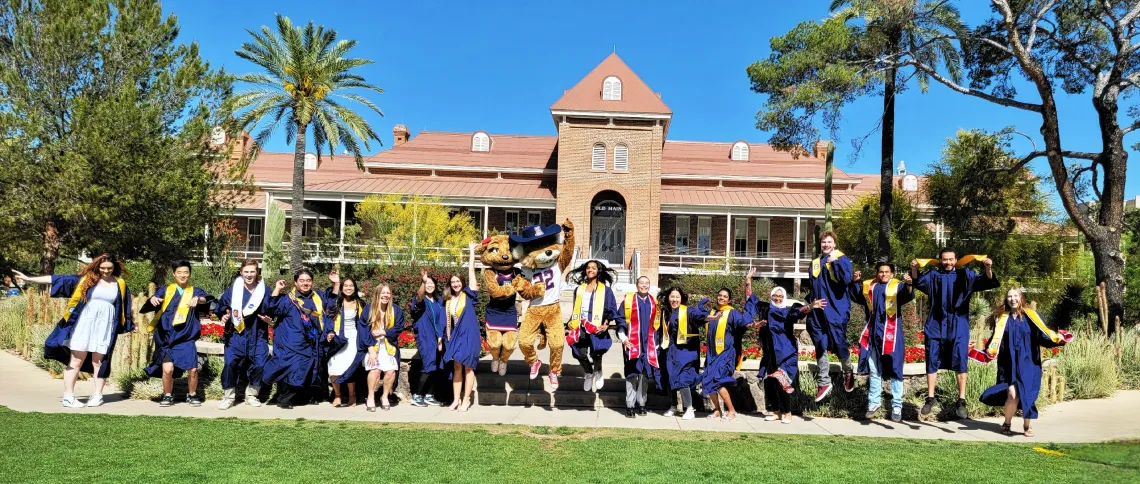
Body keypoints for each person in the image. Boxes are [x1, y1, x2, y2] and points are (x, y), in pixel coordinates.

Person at [15, 253, 133, 408]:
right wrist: (29, 278)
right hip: (84, 324)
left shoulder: (120, 284)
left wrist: (131, 323)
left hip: (105, 327)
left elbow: (125, 306)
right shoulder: (86, 280)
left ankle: (97, 395)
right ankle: (68, 396)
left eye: (109, 268)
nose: (106, 271)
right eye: (103, 268)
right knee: (76, 360)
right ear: (97, 266)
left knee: (99, 361)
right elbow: (58, 279)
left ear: (114, 267)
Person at [911, 249, 998, 419]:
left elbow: (984, 281)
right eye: (945, 260)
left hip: (958, 325)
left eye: (951, 259)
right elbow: (917, 282)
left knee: (960, 360)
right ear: (940, 260)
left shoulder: (965, 274)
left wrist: (988, 268)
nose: (948, 263)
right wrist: (914, 268)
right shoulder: (933, 276)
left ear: (956, 260)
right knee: (932, 359)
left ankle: (961, 400)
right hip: (936, 325)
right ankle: (930, 398)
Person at [979, 288, 1072, 437]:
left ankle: (1026, 426)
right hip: (1008, 363)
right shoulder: (1002, 318)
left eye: (1015, 296)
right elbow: (995, 340)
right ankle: (1007, 423)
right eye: (1009, 296)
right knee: (1012, 393)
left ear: (1021, 298)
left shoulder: (1031, 316)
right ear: (1006, 299)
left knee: (1027, 394)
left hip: (1029, 362)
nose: (1012, 299)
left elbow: (1043, 335)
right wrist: (985, 352)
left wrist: (1058, 340)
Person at [140, 261, 214, 407]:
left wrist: (198, 299)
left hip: (186, 337)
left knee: (192, 369)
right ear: (174, 274)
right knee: (167, 370)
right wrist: (153, 299)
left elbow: (208, 299)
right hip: (167, 337)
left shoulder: (195, 291)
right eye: (179, 272)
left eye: (186, 272)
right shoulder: (166, 290)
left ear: (189, 274)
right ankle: (167, 395)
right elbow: (152, 301)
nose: (183, 275)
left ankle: (192, 394)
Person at [260, 269, 335, 409]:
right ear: (295, 282)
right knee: (291, 368)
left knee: (308, 369)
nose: (305, 283)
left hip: (311, 341)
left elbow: (330, 308)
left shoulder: (317, 297)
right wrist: (277, 288)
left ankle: (303, 398)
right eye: (302, 280)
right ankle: (284, 399)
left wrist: (335, 283)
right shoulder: (288, 298)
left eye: (308, 280)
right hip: (290, 340)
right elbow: (270, 308)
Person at [850, 263, 915, 422]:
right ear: (877, 273)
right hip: (873, 333)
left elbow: (907, 295)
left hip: (892, 334)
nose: (883, 274)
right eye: (881, 272)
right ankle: (873, 403)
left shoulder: (897, 286)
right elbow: (858, 297)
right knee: (874, 369)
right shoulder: (870, 286)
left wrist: (909, 284)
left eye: (887, 272)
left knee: (895, 369)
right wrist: (854, 282)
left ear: (892, 274)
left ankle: (897, 407)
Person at [214, 259, 274, 409]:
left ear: (257, 272)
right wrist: (223, 314)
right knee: (229, 364)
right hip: (236, 334)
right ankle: (228, 397)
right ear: (241, 272)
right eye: (246, 271)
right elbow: (221, 305)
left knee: (259, 364)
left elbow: (272, 308)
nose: (249, 275)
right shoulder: (234, 289)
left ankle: (252, 395)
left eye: (252, 271)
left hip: (257, 333)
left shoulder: (264, 289)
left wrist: (270, 318)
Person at [700, 269, 759, 422]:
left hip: (726, 354)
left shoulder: (732, 313)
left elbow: (744, 322)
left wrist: (748, 283)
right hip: (712, 354)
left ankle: (731, 411)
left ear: (729, 299)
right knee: (707, 380)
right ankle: (717, 410)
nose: (721, 298)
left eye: (725, 296)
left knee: (717, 381)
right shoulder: (712, 312)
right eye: (720, 295)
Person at [752, 286, 816, 424]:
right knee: (769, 383)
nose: (778, 298)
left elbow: (799, 312)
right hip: (770, 355)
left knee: (782, 382)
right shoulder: (765, 309)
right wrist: (748, 282)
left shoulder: (787, 311)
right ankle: (776, 412)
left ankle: (788, 413)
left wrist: (810, 306)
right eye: (775, 295)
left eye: (781, 296)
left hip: (786, 353)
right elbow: (752, 300)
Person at [805, 230, 855, 402]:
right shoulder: (816, 263)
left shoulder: (842, 259)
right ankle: (823, 382)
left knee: (839, 342)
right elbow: (813, 286)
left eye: (829, 242)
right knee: (820, 344)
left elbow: (846, 280)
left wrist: (835, 264)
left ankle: (848, 371)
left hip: (836, 311)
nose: (826, 245)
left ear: (834, 244)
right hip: (817, 311)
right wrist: (811, 305)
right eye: (823, 242)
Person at [566, 260, 623, 394]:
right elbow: (576, 308)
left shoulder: (605, 290)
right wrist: (570, 323)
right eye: (588, 268)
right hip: (580, 325)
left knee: (597, 352)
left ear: (598, 271)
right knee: (579, 353)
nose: (590, 270)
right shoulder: (579, 289)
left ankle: (598, 370)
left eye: (593, 268)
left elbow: (611, 308)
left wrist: (606, 324)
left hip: (596, 326)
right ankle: (588, 372)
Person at [658, 287, 709, 420]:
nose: (674, 299)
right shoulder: (665, 312)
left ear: (682, 299)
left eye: (677, 297)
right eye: (672, 296)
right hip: (670, 350)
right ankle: (673, 406)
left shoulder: (687, 310)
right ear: (668, 297)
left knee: (683, 379)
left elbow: (699, 316)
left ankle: (689, 408)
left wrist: (711, 317)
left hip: (685, 351)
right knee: (671, 378)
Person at [442, 242, 480, 412]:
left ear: (462, 283)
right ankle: (456, 399)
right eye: (453, 282)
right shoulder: (449, 300)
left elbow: (472, 272)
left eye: (458, 281)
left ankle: (466, 399)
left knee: (468, 367)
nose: (456, 284)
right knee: (457, 367)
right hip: (455, 336)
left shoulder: (469, 295)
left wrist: (471, 253)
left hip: (469, 335)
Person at [617, 276, 660, 418]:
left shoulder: (654, 303)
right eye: (641, 283)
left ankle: (642, 404)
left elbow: (658, 325)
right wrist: (623, 338)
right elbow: (620, 320)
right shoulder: (628, 301)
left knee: (644, 374)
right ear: (636, 285)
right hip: (632, 343)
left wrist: (657, 342)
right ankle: (630, 405)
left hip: (648, 345)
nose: (644, 285)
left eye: (647, 283)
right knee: (631, 374)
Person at [324, 277, 369, 408]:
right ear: (342, 288)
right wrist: (329, 332)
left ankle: (351, 395)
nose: (348, 288)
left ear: (355, 288)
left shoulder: (360, 303)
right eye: (345, 286)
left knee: (350, 368)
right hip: (337, 339)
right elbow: (328, 320)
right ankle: (337, 395)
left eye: (351, 286)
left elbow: (365, 323)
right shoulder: (335, 303)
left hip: (354, 339)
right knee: (333, 368)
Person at [361, 283, 404, 411]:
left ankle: (385, 396)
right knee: (375, 370)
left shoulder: (396, 310)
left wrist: (384, 332)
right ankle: (370, 397)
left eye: (388, 293)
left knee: (390, 371)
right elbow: (363, 331)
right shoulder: (368, 310)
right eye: (383, 293)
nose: (386, 295)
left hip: (389, 346)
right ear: (377, 294)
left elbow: (399, 328)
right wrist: (370, 350)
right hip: (372, 346)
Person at [409, 269, 447, 407]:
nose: (429, 286)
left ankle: (430, 395)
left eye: (431, 283)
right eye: (427, 284)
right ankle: (417, 395)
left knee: (436, 365)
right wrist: (423, 283)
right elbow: (419, 297)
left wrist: (441, 337)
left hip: (438, 337)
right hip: (425, 336)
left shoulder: (438, 301)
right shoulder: (421, 299)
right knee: (428, 363)